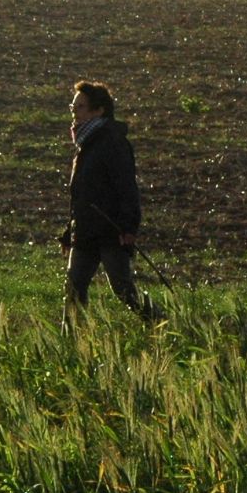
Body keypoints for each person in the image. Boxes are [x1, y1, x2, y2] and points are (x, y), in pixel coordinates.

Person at [63, 79, 154, 319]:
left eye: (80, 107)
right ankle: (70, 342)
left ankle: (160, 324)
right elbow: (81, 194)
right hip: (84, 232)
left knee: (123, 291)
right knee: (73, 289)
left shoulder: (112, 143)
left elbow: (126, 187)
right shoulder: (86, 144)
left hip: (110, 231)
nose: (74, 112)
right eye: (73, 107)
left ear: (99, 110)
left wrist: (128, 227)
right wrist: (68, 232)